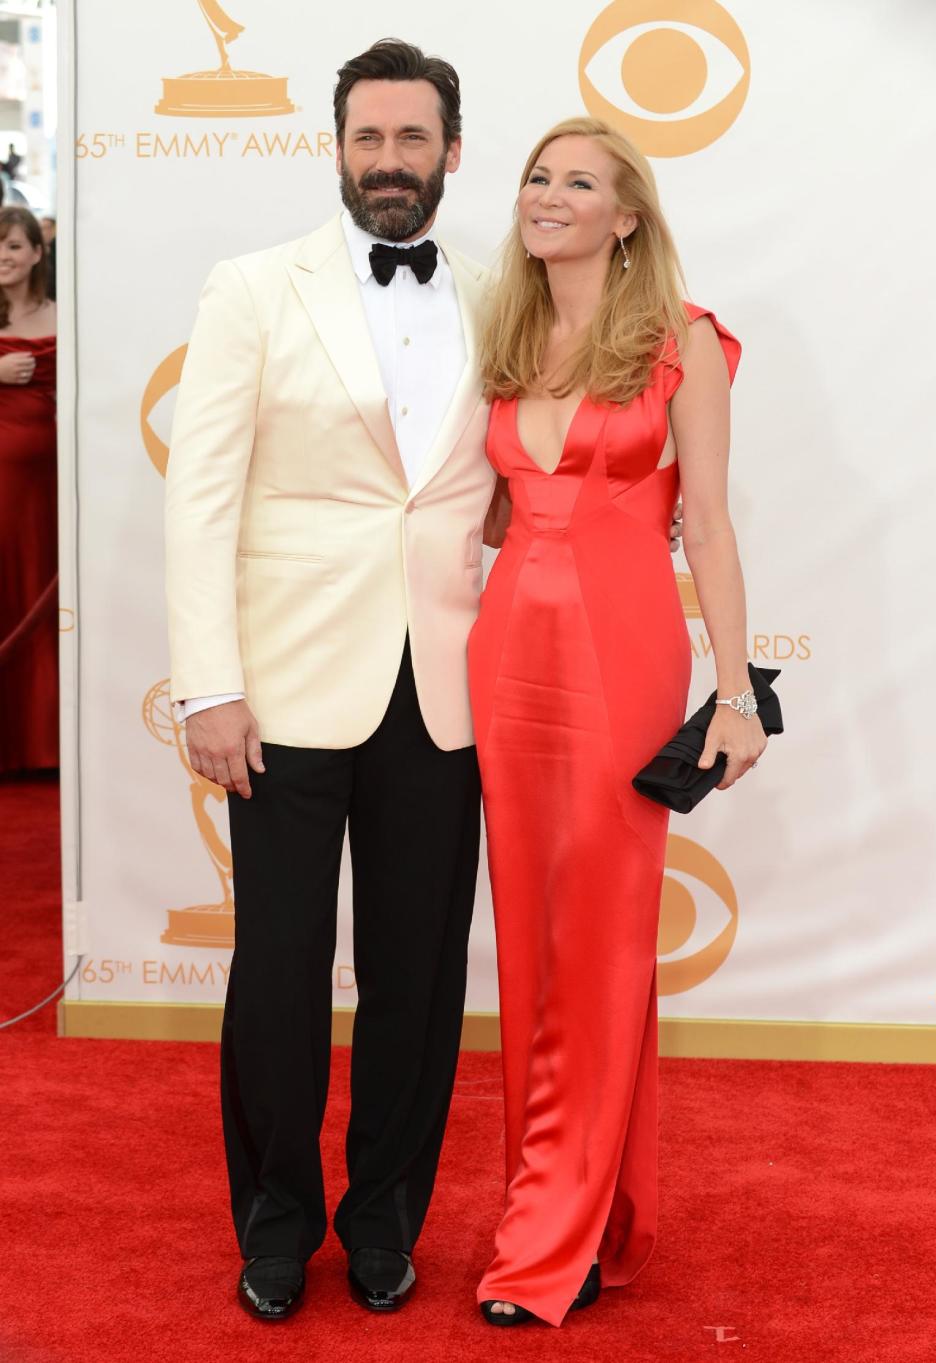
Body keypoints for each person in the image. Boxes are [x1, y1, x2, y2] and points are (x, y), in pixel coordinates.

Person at [165, 38, 497, 1324]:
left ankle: (383, 1224)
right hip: (284, 689)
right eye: (370, 139)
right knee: (281, 971)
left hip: (446, 685)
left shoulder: (496, 293)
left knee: (418, 978)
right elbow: (201, 500)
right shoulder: (254, 288)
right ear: (338, 148)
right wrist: (208, 684)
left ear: (450, 153)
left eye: (415, 141)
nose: (391, 163)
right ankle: (274, 1226)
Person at [467, 117, 766, 1327]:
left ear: (627, 215)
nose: (549, 196)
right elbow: (484, 512)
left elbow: (708, 525)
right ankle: (592, 1212)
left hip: (622, 650)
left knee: (598, 938)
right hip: (506, 657)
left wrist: (738, 694)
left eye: (579, 183)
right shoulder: (502, 332)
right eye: (539, 177)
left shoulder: (682, 339)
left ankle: (546, 1240)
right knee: (535, 946)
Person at [0, 207, 58, 775]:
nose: (5, 258)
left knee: (37, 594)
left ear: (38, 253)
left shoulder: (63, 317)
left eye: (14, 247)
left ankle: (41, 744)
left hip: (42, 486)